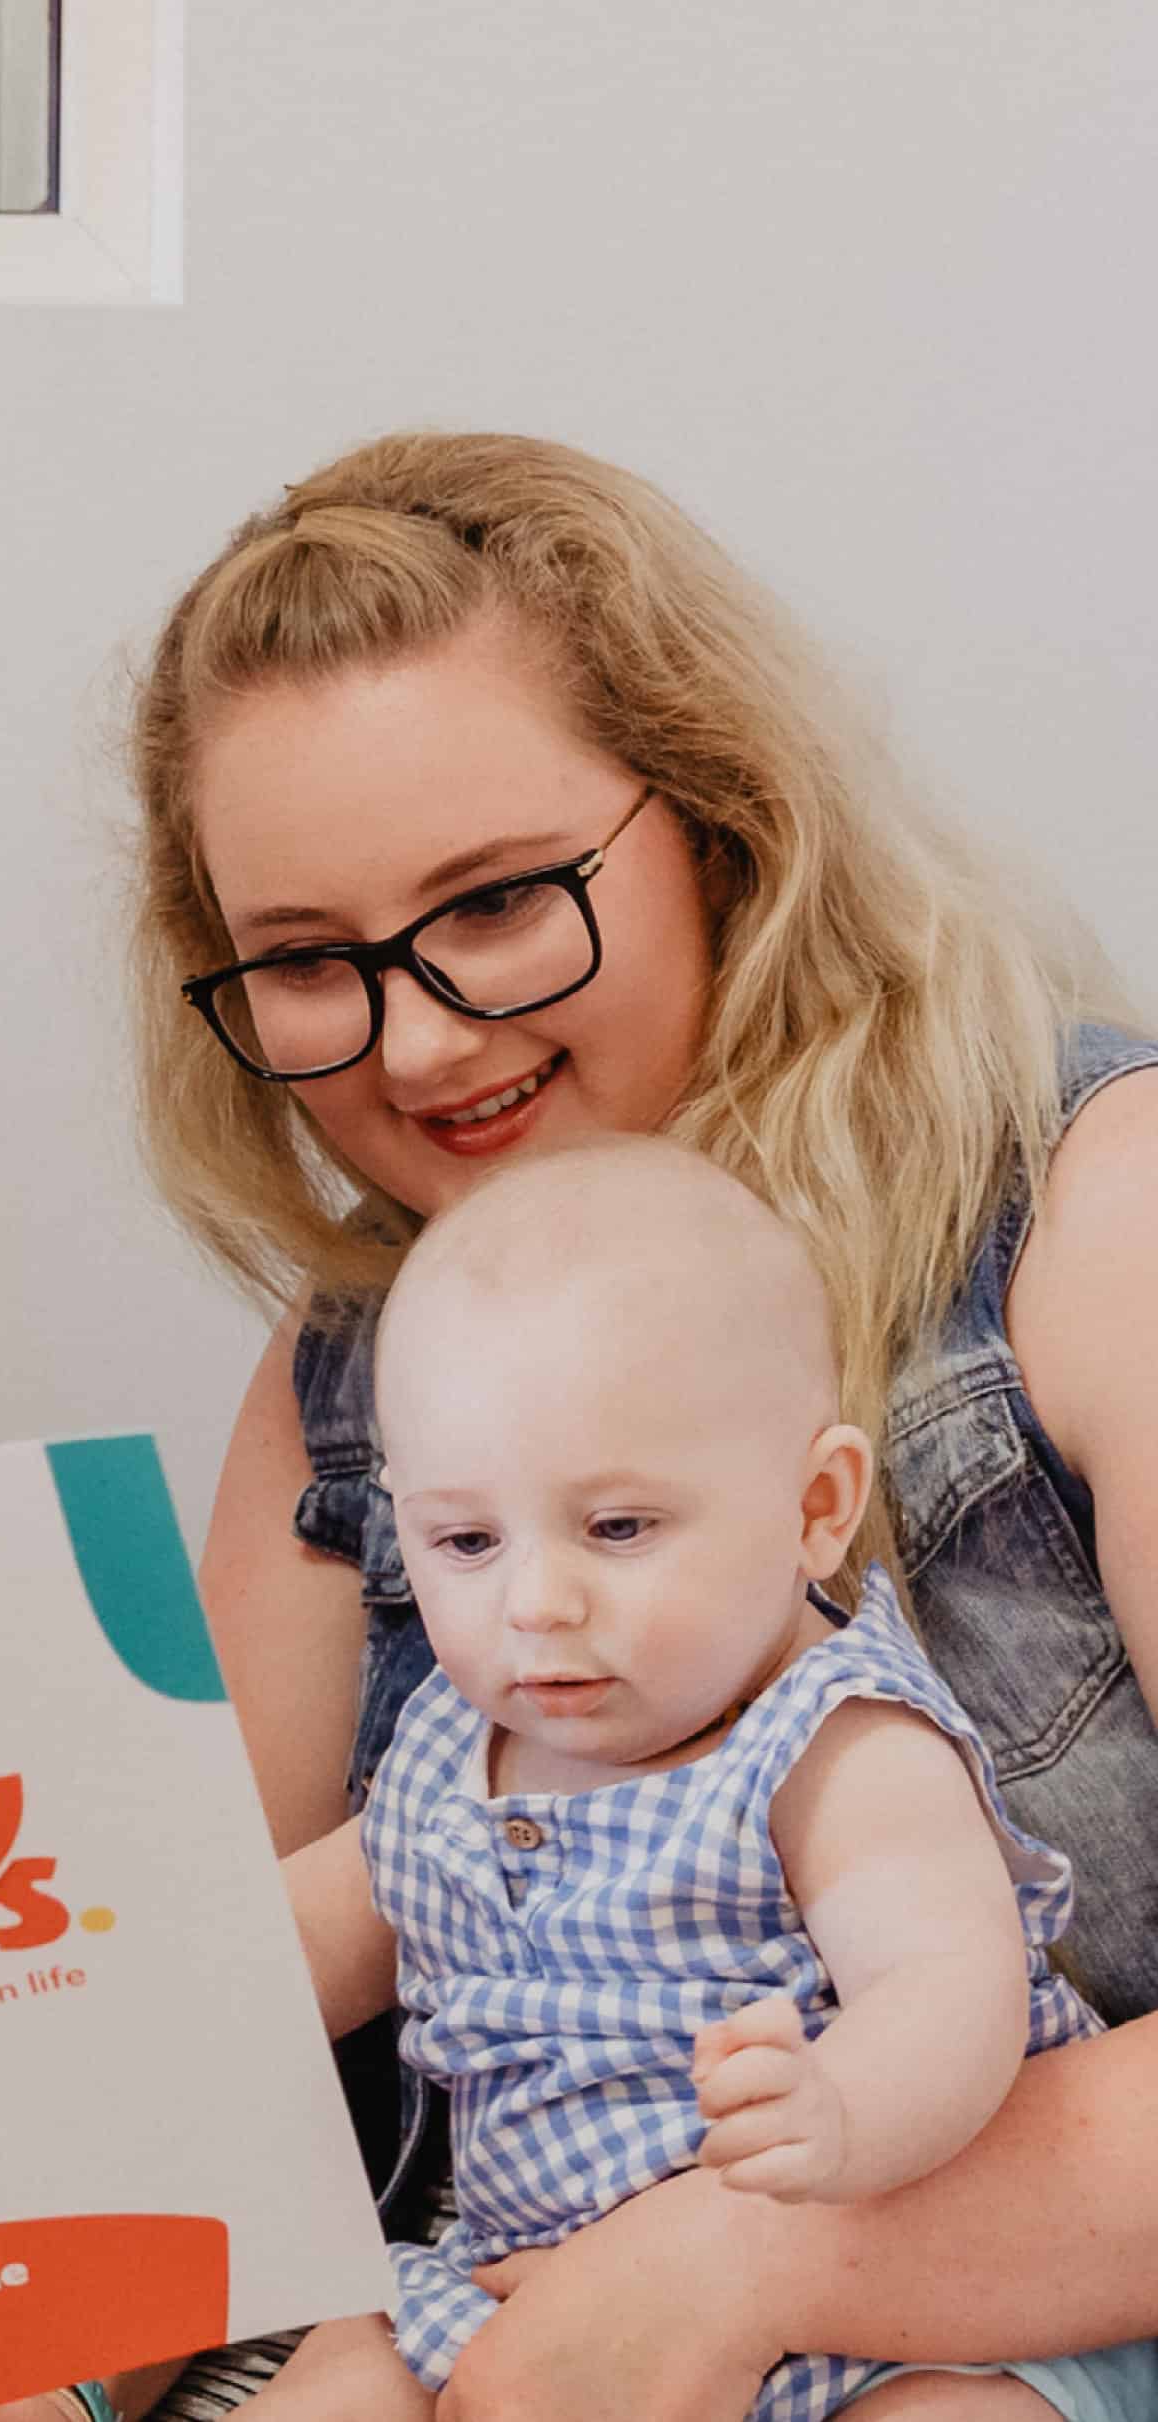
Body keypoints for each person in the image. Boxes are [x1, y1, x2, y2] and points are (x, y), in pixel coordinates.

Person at [123, 430, 1158, 2421]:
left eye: (499, 901)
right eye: (310, 963)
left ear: (720, 825)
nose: (416, 1040)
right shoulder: (353, 1380)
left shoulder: (1084, 1209)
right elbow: (208, 2038)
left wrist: (758, 2251)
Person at [257, 1133, 1153, 2422]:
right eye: (465, 1539)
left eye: (618, 1528)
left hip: (891, 2299)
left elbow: (950, 1985)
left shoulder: (835, 1744)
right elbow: (294, 1945)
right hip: (527, 2285)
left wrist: (845, 2112)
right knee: (335, 2384)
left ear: (816, 1505)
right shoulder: (452, 1743)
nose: (539, 1604)